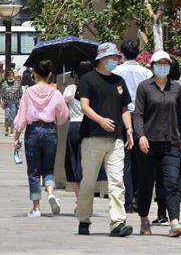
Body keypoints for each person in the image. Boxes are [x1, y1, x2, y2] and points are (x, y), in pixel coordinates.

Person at [75, 42, 134, 237]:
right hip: (92, 137)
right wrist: (100, 120)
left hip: (116, 139)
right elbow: (84, 106)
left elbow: (125, 108)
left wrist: (129, 129)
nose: (115, 60)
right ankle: (84, 219)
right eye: (112, 57)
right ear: (101, 59)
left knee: (117, 182)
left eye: (116, 57)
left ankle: (118, 222)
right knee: (89, 182)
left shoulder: (119, 81)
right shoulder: (88, 79)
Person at [133, 51, 181, 238]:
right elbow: (138, 114)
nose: (163, 67)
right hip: (148, 143)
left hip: (171, 142)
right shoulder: (144, 87)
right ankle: (144, 219)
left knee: (172, 182)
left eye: (166, 63)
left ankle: (174, 222)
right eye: (160, 63)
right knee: (146, 184)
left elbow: (179, 114)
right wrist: (140, 135)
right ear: (153, 66)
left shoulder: (176, 88)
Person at [12, 59, 69, 218]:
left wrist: (16, 138)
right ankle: (51, 193)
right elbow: (63, 116)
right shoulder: (55, 93)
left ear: (35, 74)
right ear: (50, 74)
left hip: (33, 131)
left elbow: (21, 116)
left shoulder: (28, 92)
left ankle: (36, 208)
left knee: (34, 172)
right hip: (50, 130)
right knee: (48, 169)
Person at [114, 39, 151, 213]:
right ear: (138, 53)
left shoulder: (116, 71)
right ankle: (138, 197)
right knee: (141, 159)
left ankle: (127, 200)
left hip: (122, 115)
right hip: (141, 117)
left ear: (122, 53)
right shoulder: (146, 73)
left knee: (124, 159)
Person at [63, 60, 95, 202]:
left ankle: (79, 197)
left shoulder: (71, 89)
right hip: (90, 127)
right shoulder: (94, 87)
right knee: (88, 163)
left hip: (74, 126)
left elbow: (63, 107)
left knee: (72, 162)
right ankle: (86, 196)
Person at [0, 68, 22, 136]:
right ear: (7, 76)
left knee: (12, 117)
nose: (11, 77)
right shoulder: (4, 84)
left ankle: (12, 131)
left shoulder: (18, 84)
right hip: (6, 102)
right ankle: (6, 129)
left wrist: (21, 103)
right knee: (7, 117)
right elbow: (1, 94)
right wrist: (1, 102)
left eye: (12, 75)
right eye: (9, 76)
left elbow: (21, 94)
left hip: (14, 103)